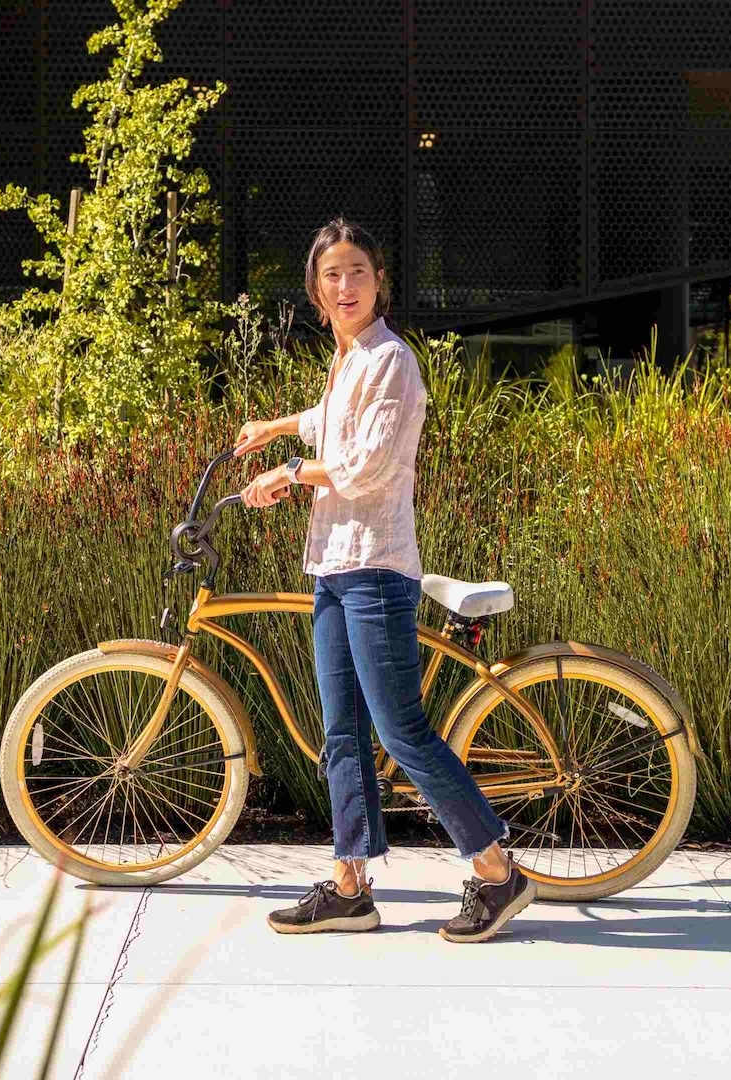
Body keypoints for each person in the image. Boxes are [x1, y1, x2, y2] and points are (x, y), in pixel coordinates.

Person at [231, 218, 536, 944]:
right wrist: (276, 427)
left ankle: (499, 874)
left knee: (401, 732)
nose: (345, 286)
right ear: (315, 289)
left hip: (375, 566)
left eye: (358, 272)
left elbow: (365, 463)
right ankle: (349, 887)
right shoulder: (349, 361)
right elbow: (332, 421)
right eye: (332, 274)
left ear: (379, 283)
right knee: (342, 734)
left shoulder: (392, 359)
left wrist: (288, 473)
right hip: (333, 566)